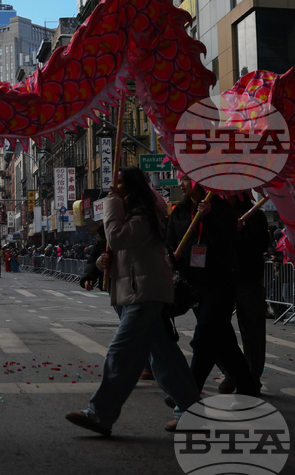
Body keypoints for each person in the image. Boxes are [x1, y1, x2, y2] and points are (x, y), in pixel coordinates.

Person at [66, 168, 201, 436]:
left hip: (145, 295)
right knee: (165, 361)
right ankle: (192, 413)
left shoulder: (144, 215)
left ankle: (100, 414)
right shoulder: (133, 213)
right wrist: (100, 262)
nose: (113, 187)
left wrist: (111, 202)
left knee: (121, 355)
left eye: (118, 183)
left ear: (131, 187)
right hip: (134, 293)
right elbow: (117, 247)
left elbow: (117, 237)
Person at [167, 175, 258, 396]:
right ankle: (248, 386)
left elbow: (227, 243)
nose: (181, 184)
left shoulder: (221, 208)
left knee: (204, 337)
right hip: (193, 283)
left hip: (219, 283)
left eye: (186, 179)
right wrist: (172, 257)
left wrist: (208, 218)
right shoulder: (179, 210)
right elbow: (170, 240)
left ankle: (188, 393)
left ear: (199, 182)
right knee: (223, 341)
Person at [217, 193, 271, 393]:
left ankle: (250, 379)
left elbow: (259, 246)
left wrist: (239, 233)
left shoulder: (255, 216)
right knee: (211, 329)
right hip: (220, 279)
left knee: (252, 333)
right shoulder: (214, 212)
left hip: (248, 279)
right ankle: (232, 371)